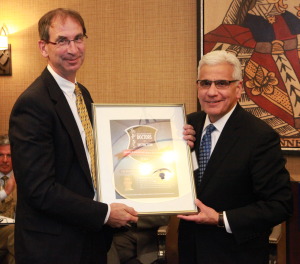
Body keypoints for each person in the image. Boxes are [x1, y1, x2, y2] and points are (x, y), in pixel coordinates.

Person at [8, 8, 138, 264]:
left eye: (78, 38)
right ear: (43, 47)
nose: (73, 49)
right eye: (63, 41)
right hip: (51, 248)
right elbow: (39, 190)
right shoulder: (33, 104)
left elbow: (89, 160)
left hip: (87, 240)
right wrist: (103, 213)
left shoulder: (82, 94)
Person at [177, 50, 293, 264]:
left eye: (221, 83)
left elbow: (280, 205)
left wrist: (221, 218)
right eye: (205, 83)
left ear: (238, 88)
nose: (211, 92)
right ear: (197, 87)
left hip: (235, 254)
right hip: (189, 250)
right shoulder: (186, 126)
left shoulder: (260, 136)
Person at [0, 134, 16, 264]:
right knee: (15, 234)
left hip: (16, 238)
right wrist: (5, 192)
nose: (5, 160)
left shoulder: (25, 178)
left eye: (9, 155)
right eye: (1, 155)